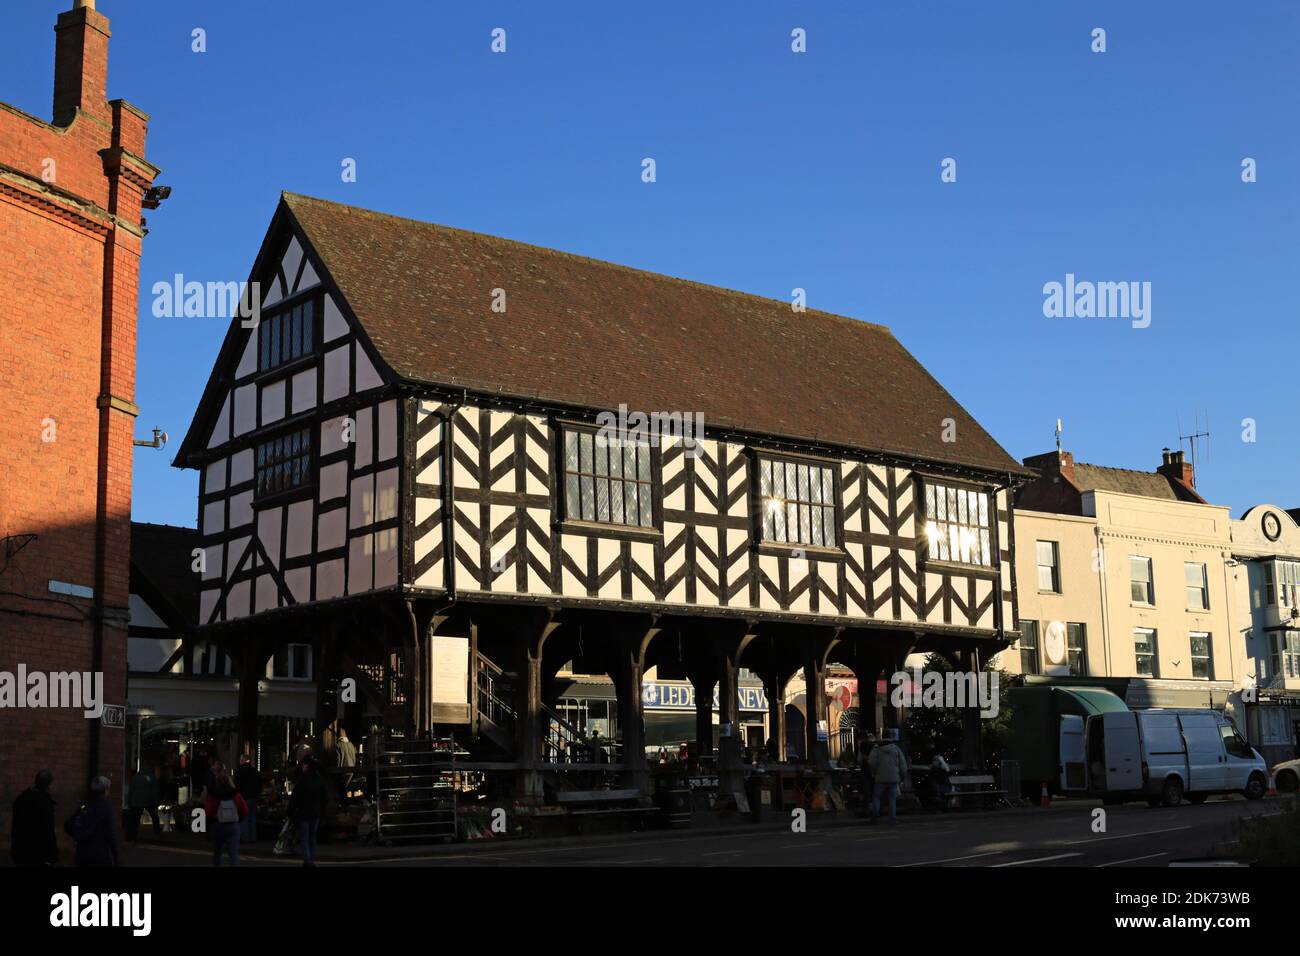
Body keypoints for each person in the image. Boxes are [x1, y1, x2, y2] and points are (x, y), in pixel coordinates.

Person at [66, 776, 119, 867]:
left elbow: (68, 825)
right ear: (106, 790)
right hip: (100, 853)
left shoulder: (86, 804)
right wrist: (116, 857)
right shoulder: (106, 805)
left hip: (82, 852)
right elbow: (111, 833)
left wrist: (78, 836)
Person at [10, 770, 58, 867]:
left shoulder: (21, 798)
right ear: (48, 784)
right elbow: (47, 830)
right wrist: (50, 855)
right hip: (38, 852)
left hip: (21, 849)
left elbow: (16, 827)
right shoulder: (45, 802)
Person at [288, 756, 328, 867]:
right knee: (312, 837)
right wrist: (321, 809)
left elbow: (295, 798)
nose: (302, 767)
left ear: (306, 766)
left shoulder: (302, 780)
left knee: (304, 838)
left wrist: (290, 812)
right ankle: (311, 858)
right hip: (315, 812)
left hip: (303, 813)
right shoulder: (319, 780)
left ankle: (307, 860)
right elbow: (325, 798)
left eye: (303, 765)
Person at [203, 770, 248, 867]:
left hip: (217, 825)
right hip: (233, 825)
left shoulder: (213, 795)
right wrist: (238, 820)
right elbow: (244, 810)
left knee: (217, 853)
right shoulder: (236, 794)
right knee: (233, 854)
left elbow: (208, 812)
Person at [867, 729, 908, 825]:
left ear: (882, 736)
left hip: (880, 778)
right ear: (891, 736)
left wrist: (874, 772)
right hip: (894, 778)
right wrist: (902, 777)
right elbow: (903, 765)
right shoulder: (896, 749)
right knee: (892, 799)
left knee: (876, 797)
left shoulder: (876, 748)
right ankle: (892, 818)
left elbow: (871, 762)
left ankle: (875, 816)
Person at [125, 766, 161, 843]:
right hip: (148, 800)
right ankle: (157, 833)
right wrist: (156, 803)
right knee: (154, 817)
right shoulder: (151, 777)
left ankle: (131, 836)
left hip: (136, 801)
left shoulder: (135, 777)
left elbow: (131, 790)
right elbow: (155, 791)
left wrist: (129, 801)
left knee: (134, 820)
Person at [235, 754, 262, 843]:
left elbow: (237, 785)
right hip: (253, 797)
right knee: (252, 818)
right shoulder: (255, 771)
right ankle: (253, 837)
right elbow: (259, 784)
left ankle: (245, 837)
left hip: (244, 797)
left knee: (244, 817)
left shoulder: (240, 771)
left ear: (243, 760)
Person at [336, 727, 357, 801]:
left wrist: (337, 771)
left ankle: (344, 803)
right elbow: (354, 758)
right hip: (351, 770)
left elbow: (338, 760)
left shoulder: (338, 745)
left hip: (342, 771)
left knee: (341, 790)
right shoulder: (351, 745)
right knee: (345, 789)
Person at [858, 734, 877, 816]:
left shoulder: (862, 746)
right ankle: (875, 810)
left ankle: (867, 810)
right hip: (874, 771)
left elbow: (859, 760)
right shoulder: (876, 747)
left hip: (865, 771)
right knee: (874, 791)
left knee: (867, 791)